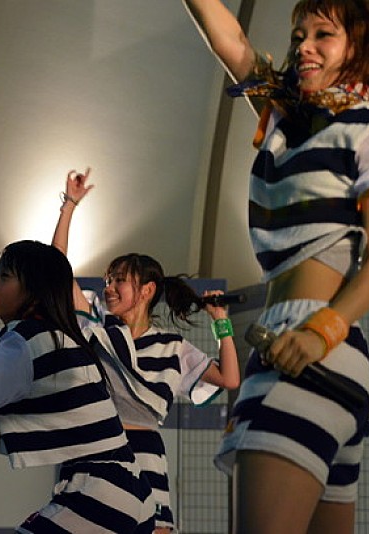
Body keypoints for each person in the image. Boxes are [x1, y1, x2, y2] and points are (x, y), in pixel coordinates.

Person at [182, 0, 369, 532]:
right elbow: (233, 44)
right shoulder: (290, 121)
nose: (304, 47)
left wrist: (318, 333)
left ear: (361, 49)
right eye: (298, 36)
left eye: (323, 35)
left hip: (308, 347)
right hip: (334, 365)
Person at [51, 168, 241, 533]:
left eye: (119, 280)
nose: (109, 287)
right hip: (92, 450)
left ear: (147, 290)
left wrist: (221, 321)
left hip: (145, 457)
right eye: (107, 280)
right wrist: (69, 205)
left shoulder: (172, 346)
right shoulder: (96, 324)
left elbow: (230, 378)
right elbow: (56, 271)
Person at [0, 240, 155, 533]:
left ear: (34, 291)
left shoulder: (25, 343)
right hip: (127, 487)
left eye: (4, 276)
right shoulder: (49, 332)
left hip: (101, 488)